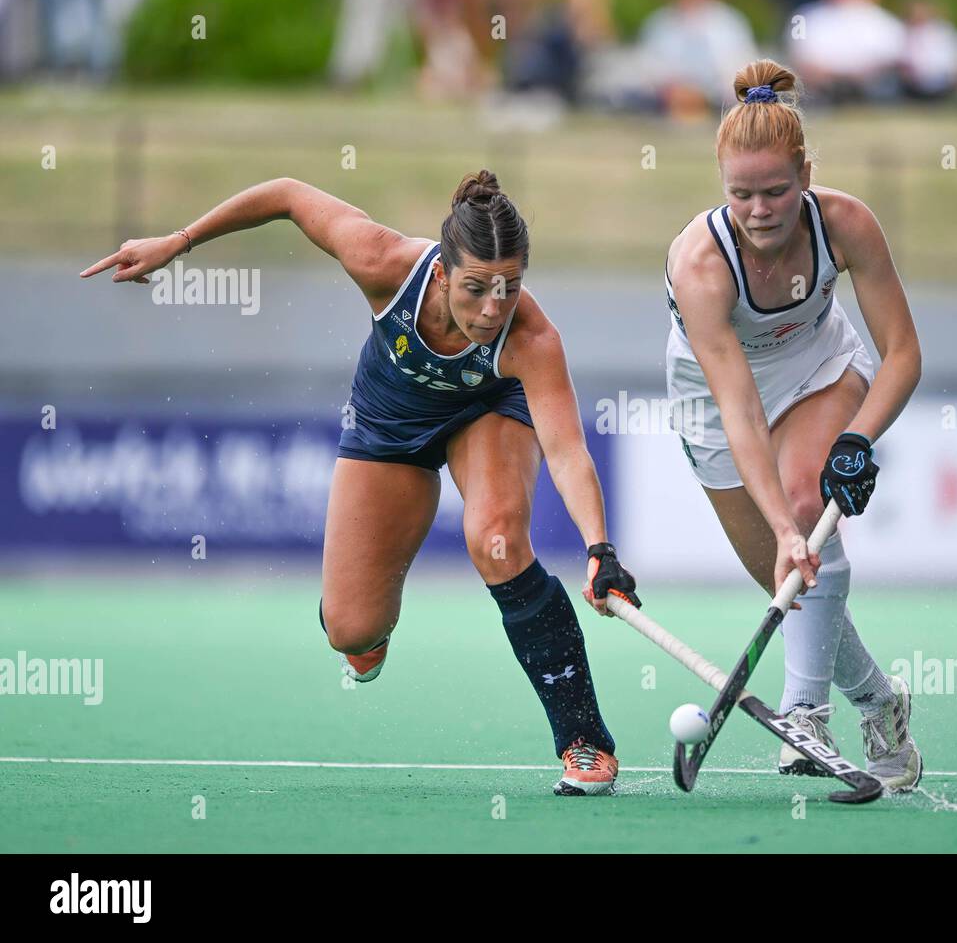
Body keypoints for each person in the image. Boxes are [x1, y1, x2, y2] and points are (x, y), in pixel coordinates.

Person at [80, 170, 641, 796]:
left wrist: (600, 549)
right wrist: (179, 242)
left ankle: (584, 743)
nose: (492, 308)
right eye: (476, 288)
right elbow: (288, 195)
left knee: (497, 540)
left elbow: (566, 451)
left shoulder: (531, 340)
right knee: (351, 629)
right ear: (441, 275)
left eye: (508, 289)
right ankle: (370, 625)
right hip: (387, 423)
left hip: (487, 412)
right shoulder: (384, 262)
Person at [663, 59, 923, 791]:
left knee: (809, 505)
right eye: (740, 193)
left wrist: (855, 440)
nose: (759, 210)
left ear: (806, 173)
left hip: (819, 371)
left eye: (776, 190)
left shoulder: (845, 224)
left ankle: (803, 713)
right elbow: (739, 406)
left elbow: (903, 354)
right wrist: (779, 528)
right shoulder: (701, 265)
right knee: (792, 577)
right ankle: (880, 703)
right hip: (716, 407)